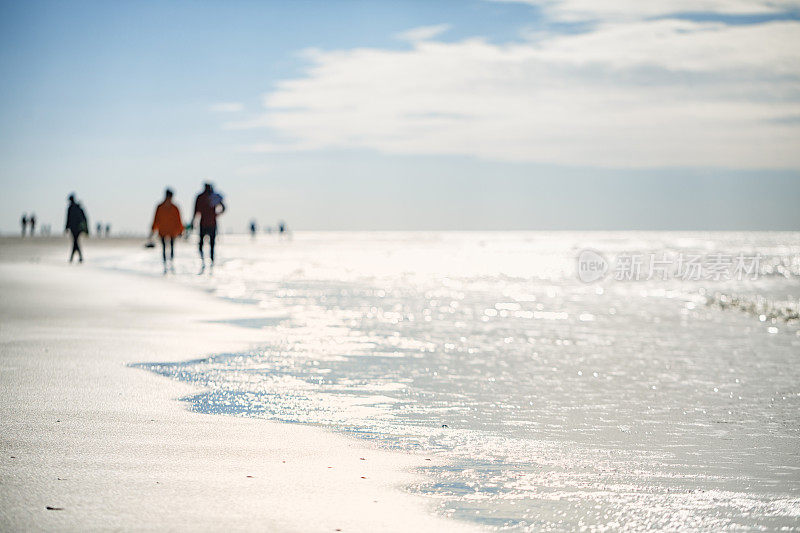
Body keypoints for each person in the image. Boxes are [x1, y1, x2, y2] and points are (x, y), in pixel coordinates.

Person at [192, 182, 225, 273]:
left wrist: (193, 221)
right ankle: (209, 261)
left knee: (204, 244)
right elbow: (223, 207)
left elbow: (195, 211)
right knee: (211, 244)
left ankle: (206, 261)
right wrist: (216, 214)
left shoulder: (203, 197)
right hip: (210, 223)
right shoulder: (212, 196)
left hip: (206, 223)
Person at [150, 188, 183, 273]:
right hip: (165, 230)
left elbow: (178, 220)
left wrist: (180, 230)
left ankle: (170, 263)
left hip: (171, 231)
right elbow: (156, 219)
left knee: (170, 247)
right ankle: (166, 264)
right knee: (165, 247)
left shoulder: (173, 207)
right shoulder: (161, 207)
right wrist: (154, 229)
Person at [65, 194, 88, 263]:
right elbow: (84, 218)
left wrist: (66, 227)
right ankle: (77, 257)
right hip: (78, 228)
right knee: (76, 242)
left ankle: (74, 258)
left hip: (74, 228)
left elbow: (68, 219)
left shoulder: (71, 208)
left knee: (75, 242)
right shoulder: (78, 207)